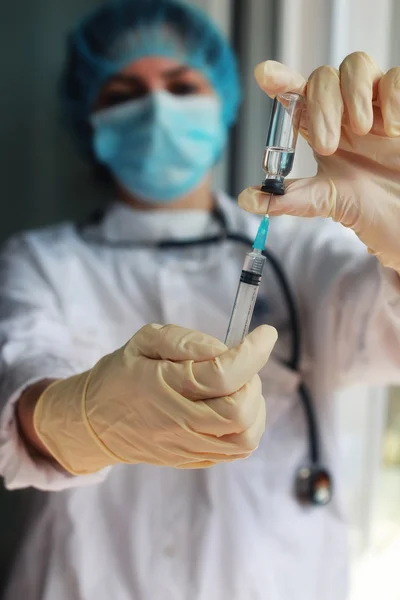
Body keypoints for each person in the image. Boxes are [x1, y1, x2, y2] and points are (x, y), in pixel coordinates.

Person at [1, 0, 400, 598]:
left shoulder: (305, 253)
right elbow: (18, 386)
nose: (158, 108)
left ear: (222, 103)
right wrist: (81, 418)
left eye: (182, 85)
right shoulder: (40, 261)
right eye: (123, 93)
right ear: (90, 119)